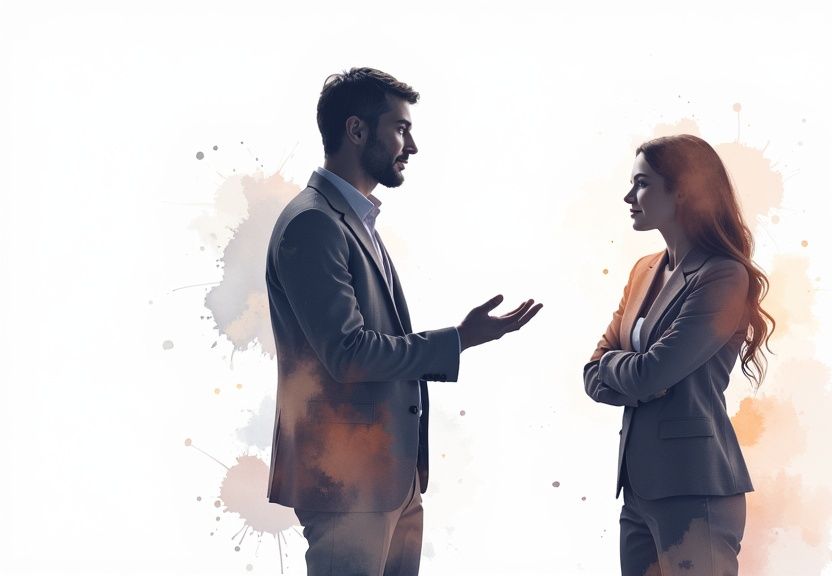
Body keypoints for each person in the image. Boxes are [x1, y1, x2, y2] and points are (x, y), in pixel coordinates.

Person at [265, 67, 542, 576]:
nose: (411, 146)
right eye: (401, 128)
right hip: (348, 482)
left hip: (390, 478)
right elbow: (348, 354)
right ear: (356, 130)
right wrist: (458, 340)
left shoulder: (353, 220)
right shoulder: (313, 223)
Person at [583, 134, 773, 576]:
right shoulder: (643, 269)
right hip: (638, 489)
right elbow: (593, 370)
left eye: (642, 184)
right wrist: (621, 369)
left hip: (695, 487)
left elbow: (650, 373)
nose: (629, 197)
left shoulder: (723, 275)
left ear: (683, 190)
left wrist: (621, 369)